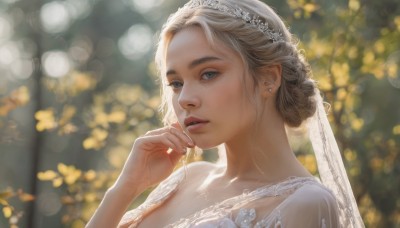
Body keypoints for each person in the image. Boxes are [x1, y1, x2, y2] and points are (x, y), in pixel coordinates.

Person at [86, 0, 365, 227]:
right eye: (176, 83)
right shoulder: (188, 178)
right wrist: (125, 188)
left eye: (208, 74)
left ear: (269, 78)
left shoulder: (305, 203)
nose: (185, 99)